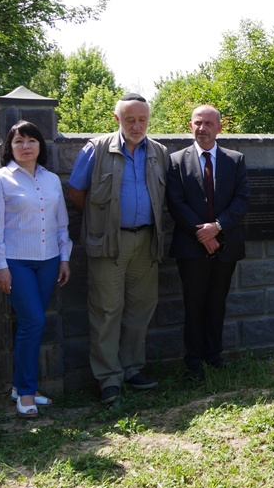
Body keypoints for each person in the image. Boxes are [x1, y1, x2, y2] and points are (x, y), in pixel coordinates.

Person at [68, 93, 169, 404]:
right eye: (130, 120)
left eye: (142, 120)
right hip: (109, 243)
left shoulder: (159, 152)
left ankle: (132, 368)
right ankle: (109, 378)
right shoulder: (96, 149)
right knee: (107, 311)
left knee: (141, 309)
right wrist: (103, 221)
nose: (136, 126)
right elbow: (75, 191)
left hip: (147, 242)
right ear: (117, 120)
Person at [0, 121, 71, 418]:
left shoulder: (52, 180)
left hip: (48, 261)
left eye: (31, 140)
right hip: (16, 263)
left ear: (40, 146)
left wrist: (64, 258)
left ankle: (21, 386)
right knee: (33, 320)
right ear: (9, 146)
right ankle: (25, 394)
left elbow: (62, 223)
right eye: (18, 141)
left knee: (31, 324)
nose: (25, 146)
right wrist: (0, 266)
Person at [166, 105, 250, 380]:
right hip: (191, 248)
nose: (202, 128)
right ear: (190, 125)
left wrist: (218, 228)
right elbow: (175, 202)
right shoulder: (176, 161)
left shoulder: (235, 160)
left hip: (226, 245)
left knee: (217, 302)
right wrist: (201, 234)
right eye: (197, 123)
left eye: (208, 123)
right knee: (193, 304)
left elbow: (241, 200)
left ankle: (213, 355)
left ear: (219, 127)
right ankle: (193, 360)